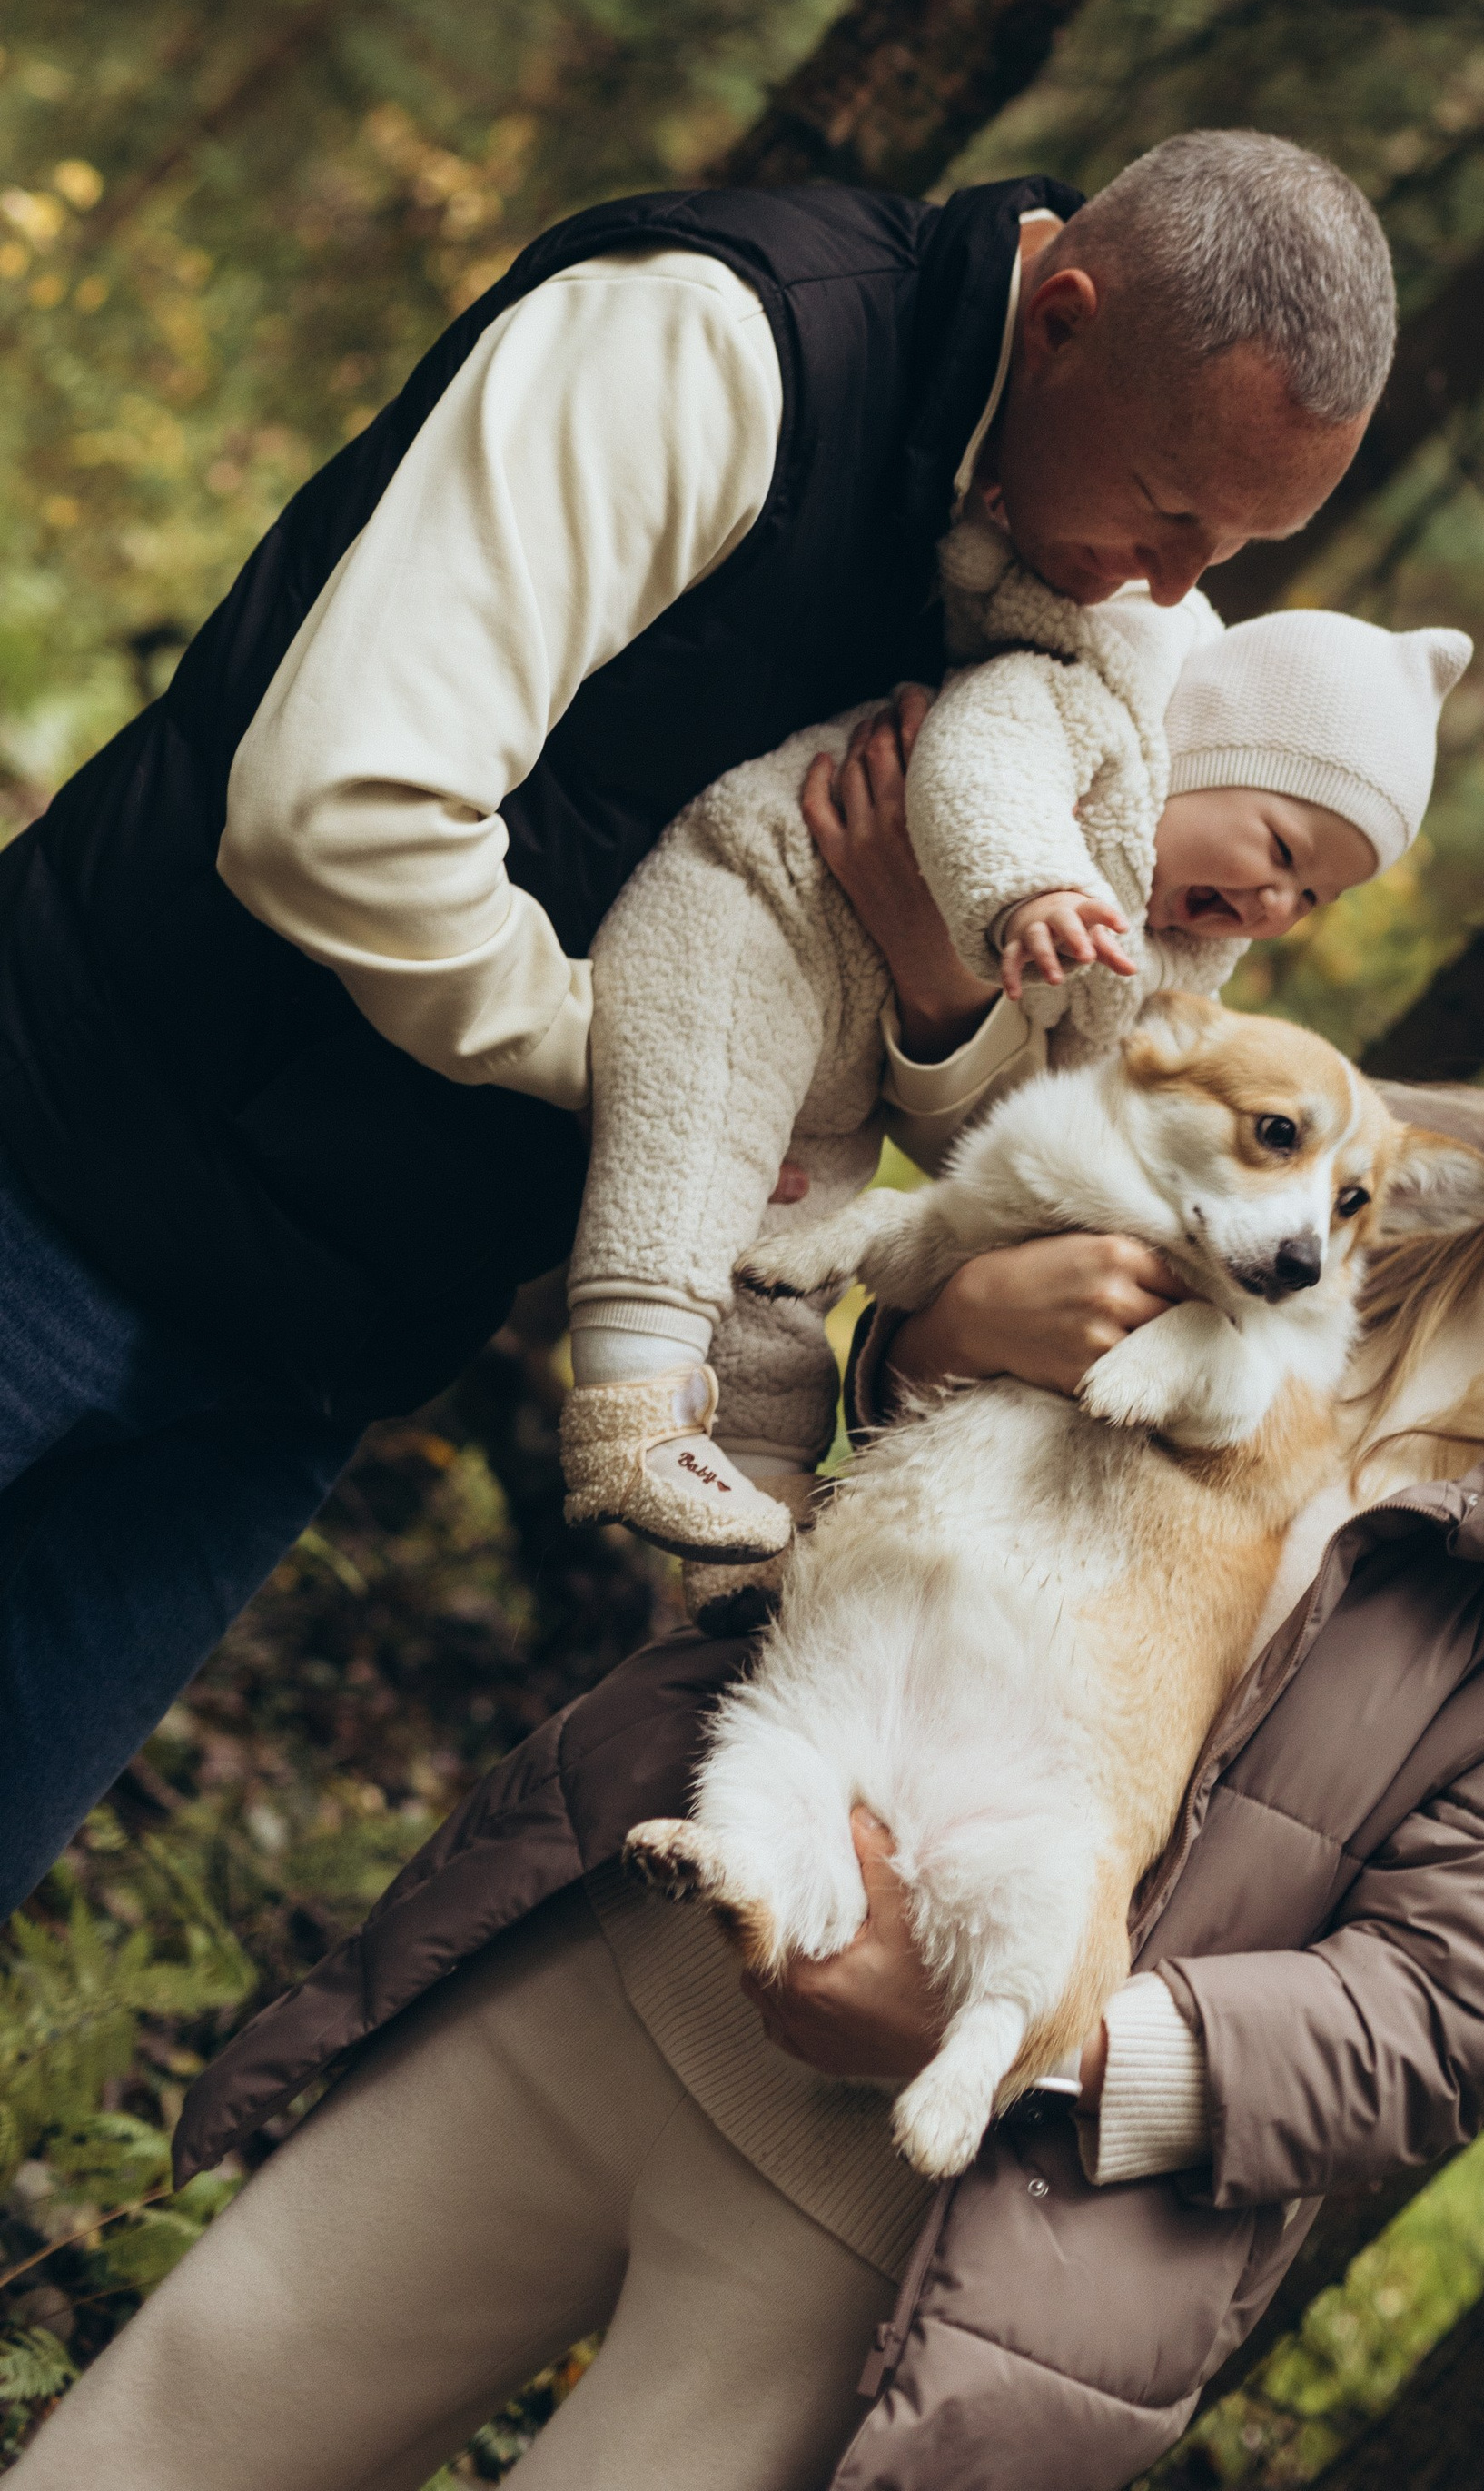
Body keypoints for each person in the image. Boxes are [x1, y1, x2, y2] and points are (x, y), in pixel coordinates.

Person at [14, 894, 1484, 2491]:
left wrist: (1047, 2043)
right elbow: (916, 1415)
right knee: (177, 2429)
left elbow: (1451, 2011)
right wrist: (950, 1325)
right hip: (660, 1921)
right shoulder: (1330, 1146)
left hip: (899, 2211)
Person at [0, 130, 1397, 1908]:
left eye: (1239, 547)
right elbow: (339, 813)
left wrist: (936, 974)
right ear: (1060, 320)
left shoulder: (1084, 605)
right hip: (68, 1149)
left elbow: (990, 1090)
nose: (1174, 586)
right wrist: (659, 1072)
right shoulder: (716, 343)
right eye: (1171, 509)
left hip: (321, 1348)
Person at [560, 572, 1469, 1567]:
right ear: (1205, 752)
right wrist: (1024, 890)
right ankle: (633, 1395)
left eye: (1313, 898)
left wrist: (940, 980)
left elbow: (1040, 1104)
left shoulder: (1177, 962)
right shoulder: (1092, 727)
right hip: (767, 922)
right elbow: (977, 762)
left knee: (782, 1277)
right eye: (1282, 850)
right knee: (691, 1161)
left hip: (842, 1086)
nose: (1275, 905)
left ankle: (757, 1491)